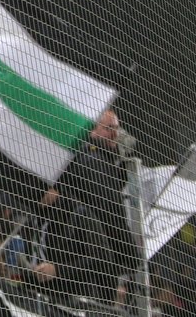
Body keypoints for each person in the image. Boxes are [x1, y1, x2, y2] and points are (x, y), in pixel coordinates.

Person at [59, 110, 140, 299]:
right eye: (108, 128)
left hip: (95, 260)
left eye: (116, 128)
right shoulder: (92, 160)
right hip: (93, 262)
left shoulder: (105, 161)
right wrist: (131, 256)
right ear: (92, 130)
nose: (115, 134)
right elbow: (110, 212)